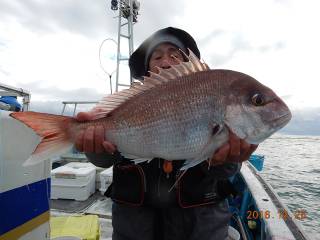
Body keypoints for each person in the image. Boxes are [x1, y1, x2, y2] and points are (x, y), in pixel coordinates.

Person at [75, 27, 258, 240]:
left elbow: (226, 172)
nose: (165, 62)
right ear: (148, 69)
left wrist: (226, 161)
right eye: (157, 56)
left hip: (199, 228)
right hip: (135, 229)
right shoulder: (129, 105)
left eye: (174, 54)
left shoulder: (211, 97)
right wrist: (94, 147)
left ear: (189, 64)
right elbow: (106, 159)